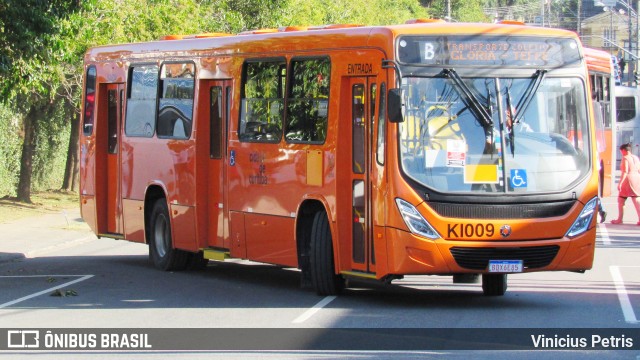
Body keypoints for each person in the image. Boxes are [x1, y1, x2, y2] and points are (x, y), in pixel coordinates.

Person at [611, 143, 640, 224]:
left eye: (621, 151)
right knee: (636, 199)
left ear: (623, 150)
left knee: (621, 199)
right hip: (637, 178)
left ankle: (619, 219)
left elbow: (625, 171)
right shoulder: (636, 158)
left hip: (628, 180)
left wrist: (620, 183)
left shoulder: (625, 158)